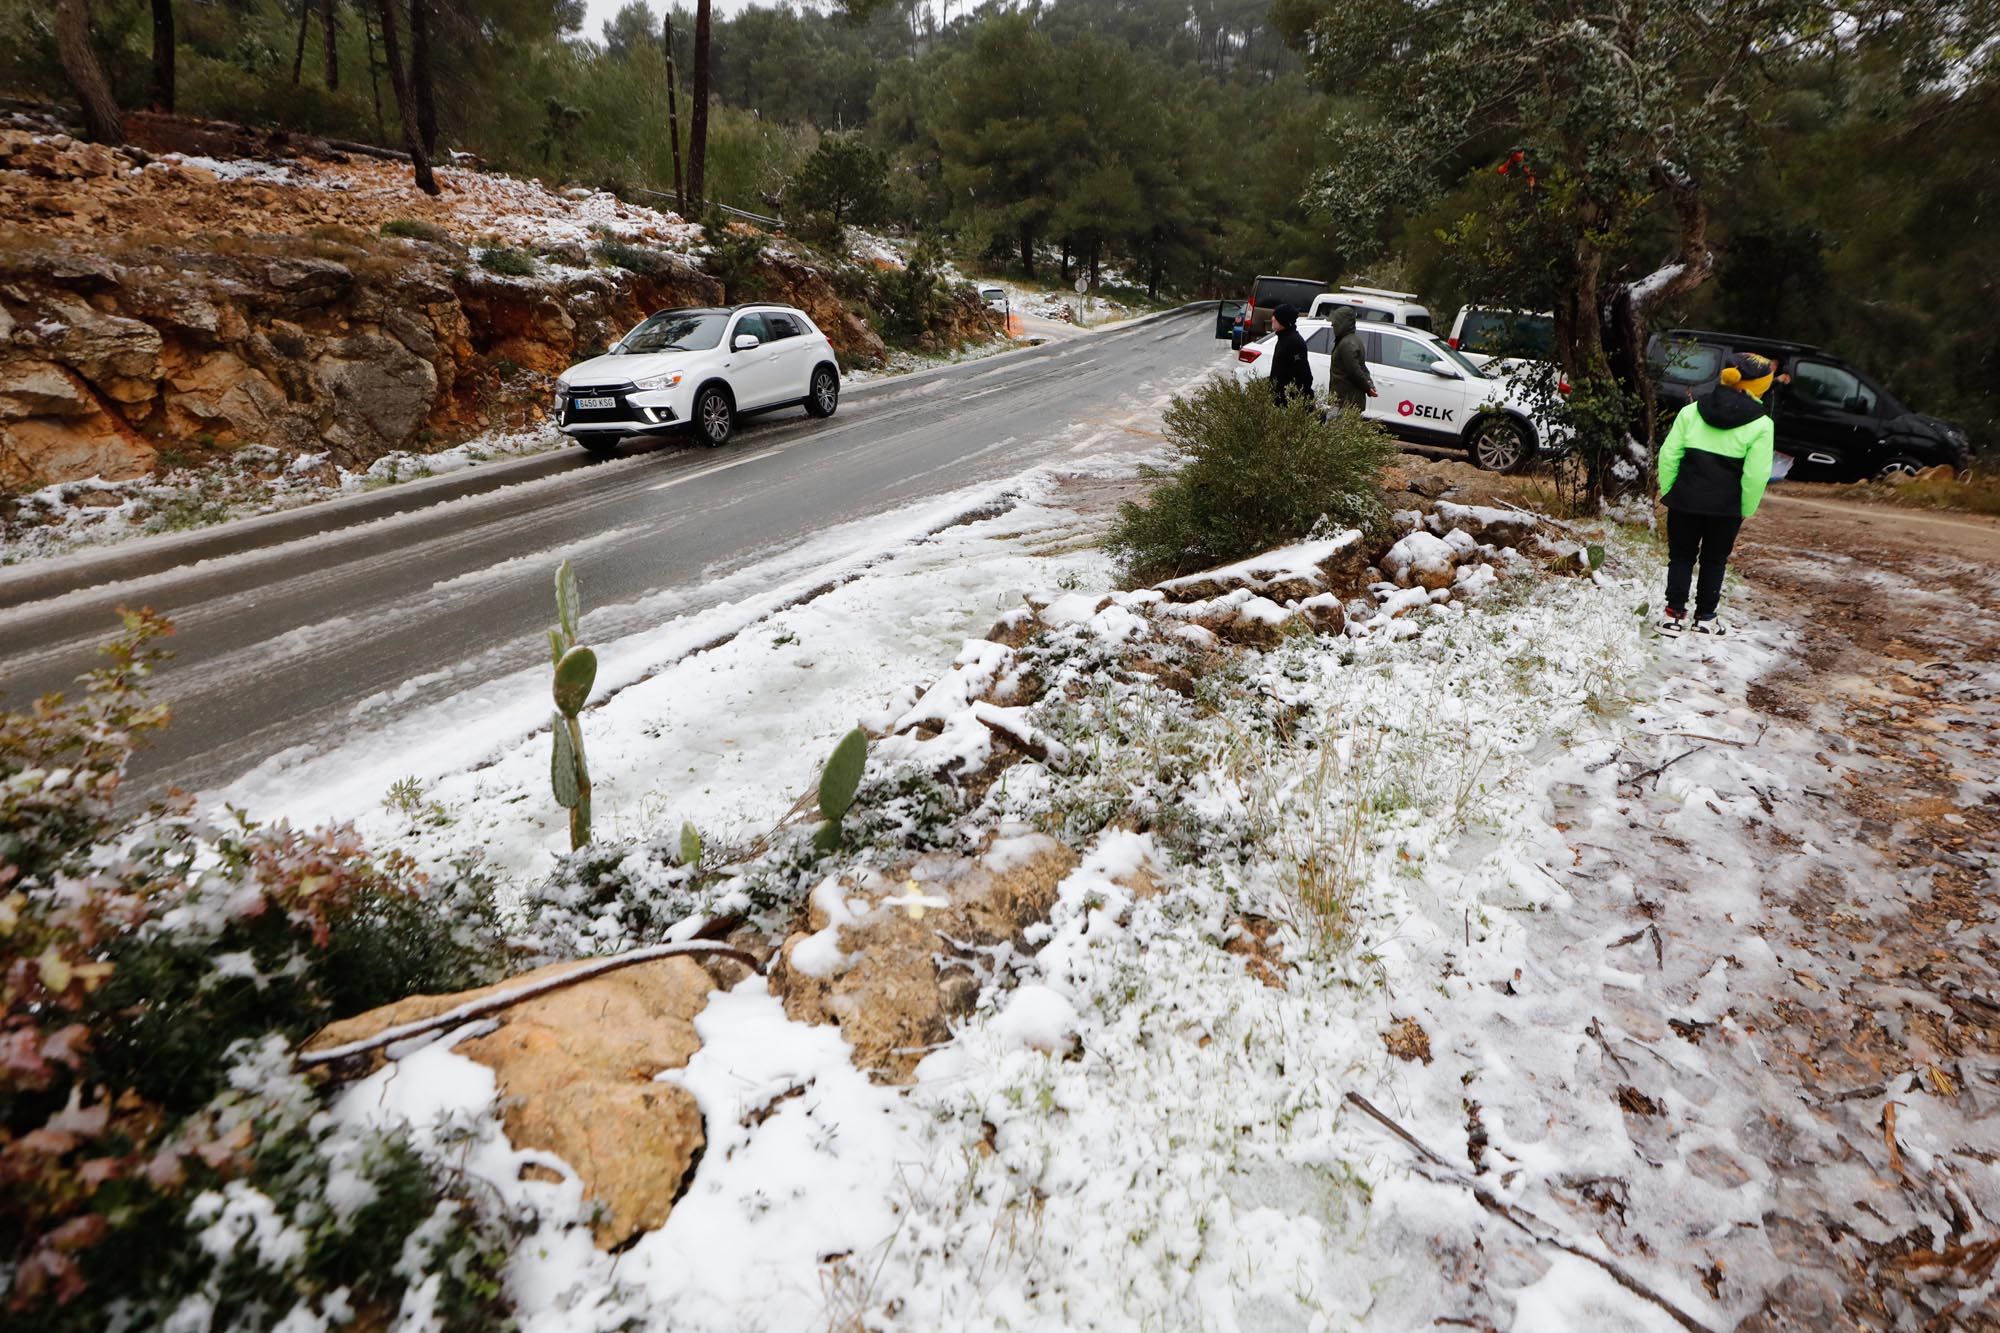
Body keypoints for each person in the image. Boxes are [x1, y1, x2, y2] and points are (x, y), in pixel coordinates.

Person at [1656, 351, 1778, 636]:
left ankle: (1673, 615)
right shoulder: (1761, 424)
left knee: (1681, 557)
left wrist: (1671, 489)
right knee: (1714, 559)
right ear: (1760, 385)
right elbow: (1757, 473)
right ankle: (1705, 618)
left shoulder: (1691, 411)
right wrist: (1745, 507)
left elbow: (1669, 454)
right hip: (1726, 506)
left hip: (1685, 499)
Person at [1325, 306, 1376, 415]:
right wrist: (1369, 385)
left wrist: (1367, 387)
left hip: (1344, 402)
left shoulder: (1346, 343)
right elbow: (1363, 369)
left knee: (1334, 429)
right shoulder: (1354, 340)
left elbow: (1354, 370)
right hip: (1348, 401)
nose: (1332, 325)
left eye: (1335, 322)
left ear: (1342, 323)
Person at [1267, 303, 1313, 406]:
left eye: (1275, 316)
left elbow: (1303, 374)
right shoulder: (1283, 339)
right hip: (1279, 399)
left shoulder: (1294, 342)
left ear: (1283, 321)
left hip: (1288, 402)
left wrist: (1291, 398)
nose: (1272, 319)